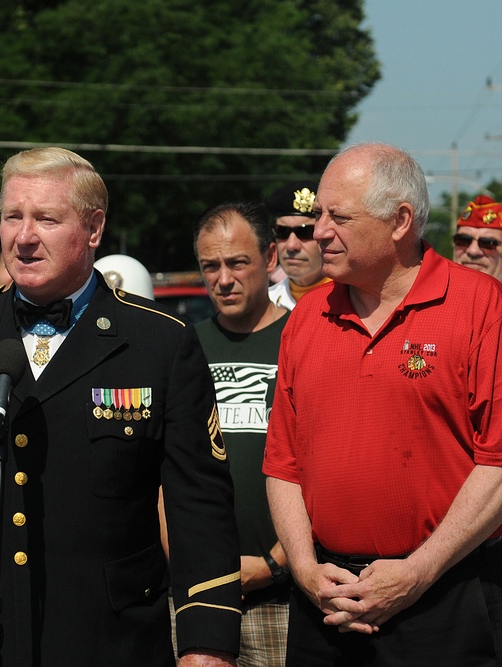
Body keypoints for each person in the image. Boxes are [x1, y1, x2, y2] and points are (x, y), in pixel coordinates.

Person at [0, 147, 241, 667]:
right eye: (13, 216)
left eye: (47, 219)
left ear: (94, 228)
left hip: (108, 643)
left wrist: (207, 639)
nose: (24, 236)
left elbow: (200, 511)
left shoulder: (160, 343)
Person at [263, 143, 502, 666]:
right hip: (326, 603)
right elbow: (283, 463)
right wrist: (304, 570)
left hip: (447, 598)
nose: (318, 230)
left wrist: (416, 572)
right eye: (318, 214)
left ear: (400, 221)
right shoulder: (307, 319)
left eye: (338, 216)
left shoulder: (481, 306)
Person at [192, 202, 290, 667]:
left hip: (286, 598)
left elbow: (323, 466)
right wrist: (195, 567)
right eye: (210, 266)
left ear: (270, 259)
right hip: (196, 597)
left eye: (237, 263)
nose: (223, 279)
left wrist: (276, 564)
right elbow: (160, 474)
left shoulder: (305, 341)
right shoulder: (183, 347)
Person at [265, 180, 329, 310]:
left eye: (304, 232)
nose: (291, 245)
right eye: (282, 231)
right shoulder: (264, 306)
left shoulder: (355, 300)